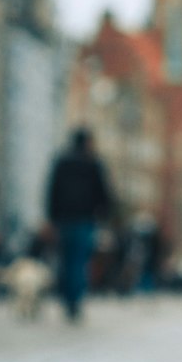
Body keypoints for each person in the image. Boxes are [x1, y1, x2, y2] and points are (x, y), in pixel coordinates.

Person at [45, 127, 112, 320]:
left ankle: (66, 298)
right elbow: (103, 192)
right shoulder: (93, 163)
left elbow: (52, 190)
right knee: (79, 261)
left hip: (64, 218)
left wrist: (52, 217)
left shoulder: (61, 161)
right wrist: (104, 214)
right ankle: (75, 300)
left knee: (65, 260)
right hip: (85, 218)